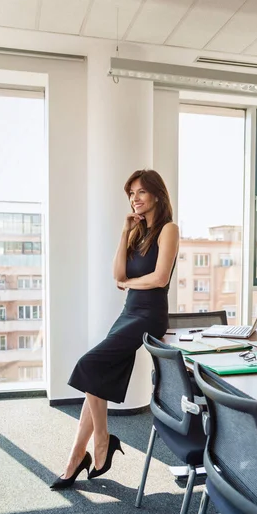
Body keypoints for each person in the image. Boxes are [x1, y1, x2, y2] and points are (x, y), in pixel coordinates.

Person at [50, 169, 179, 489]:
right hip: (128, 312)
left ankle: (102, 442)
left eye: (141, 193)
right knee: (97, 378)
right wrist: (124, 232)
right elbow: (117, 273)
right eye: (131, 194)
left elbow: (160, 279)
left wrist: (129, 283)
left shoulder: (169, 229)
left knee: (89, 365)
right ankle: (76, 457)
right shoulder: (137, 231)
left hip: (149, 315)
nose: (134, 199)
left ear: (157, 195)